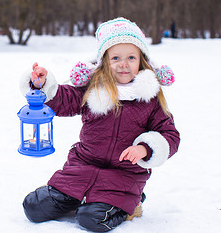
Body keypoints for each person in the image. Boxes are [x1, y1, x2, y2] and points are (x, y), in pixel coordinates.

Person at [19, 17, 180, 232]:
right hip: (80, 169)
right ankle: (79, 198)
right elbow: (63, 100)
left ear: (141, 61)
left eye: (131, 57)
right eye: (116, 57)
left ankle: (130, 205)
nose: (124, 64)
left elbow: (169, 134)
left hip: (123, 177)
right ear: (104, 61)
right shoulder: (92, 89)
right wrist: (41, 83)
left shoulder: (149, 98)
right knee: (34, 207)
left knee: (91, 219)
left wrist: (145, 148)